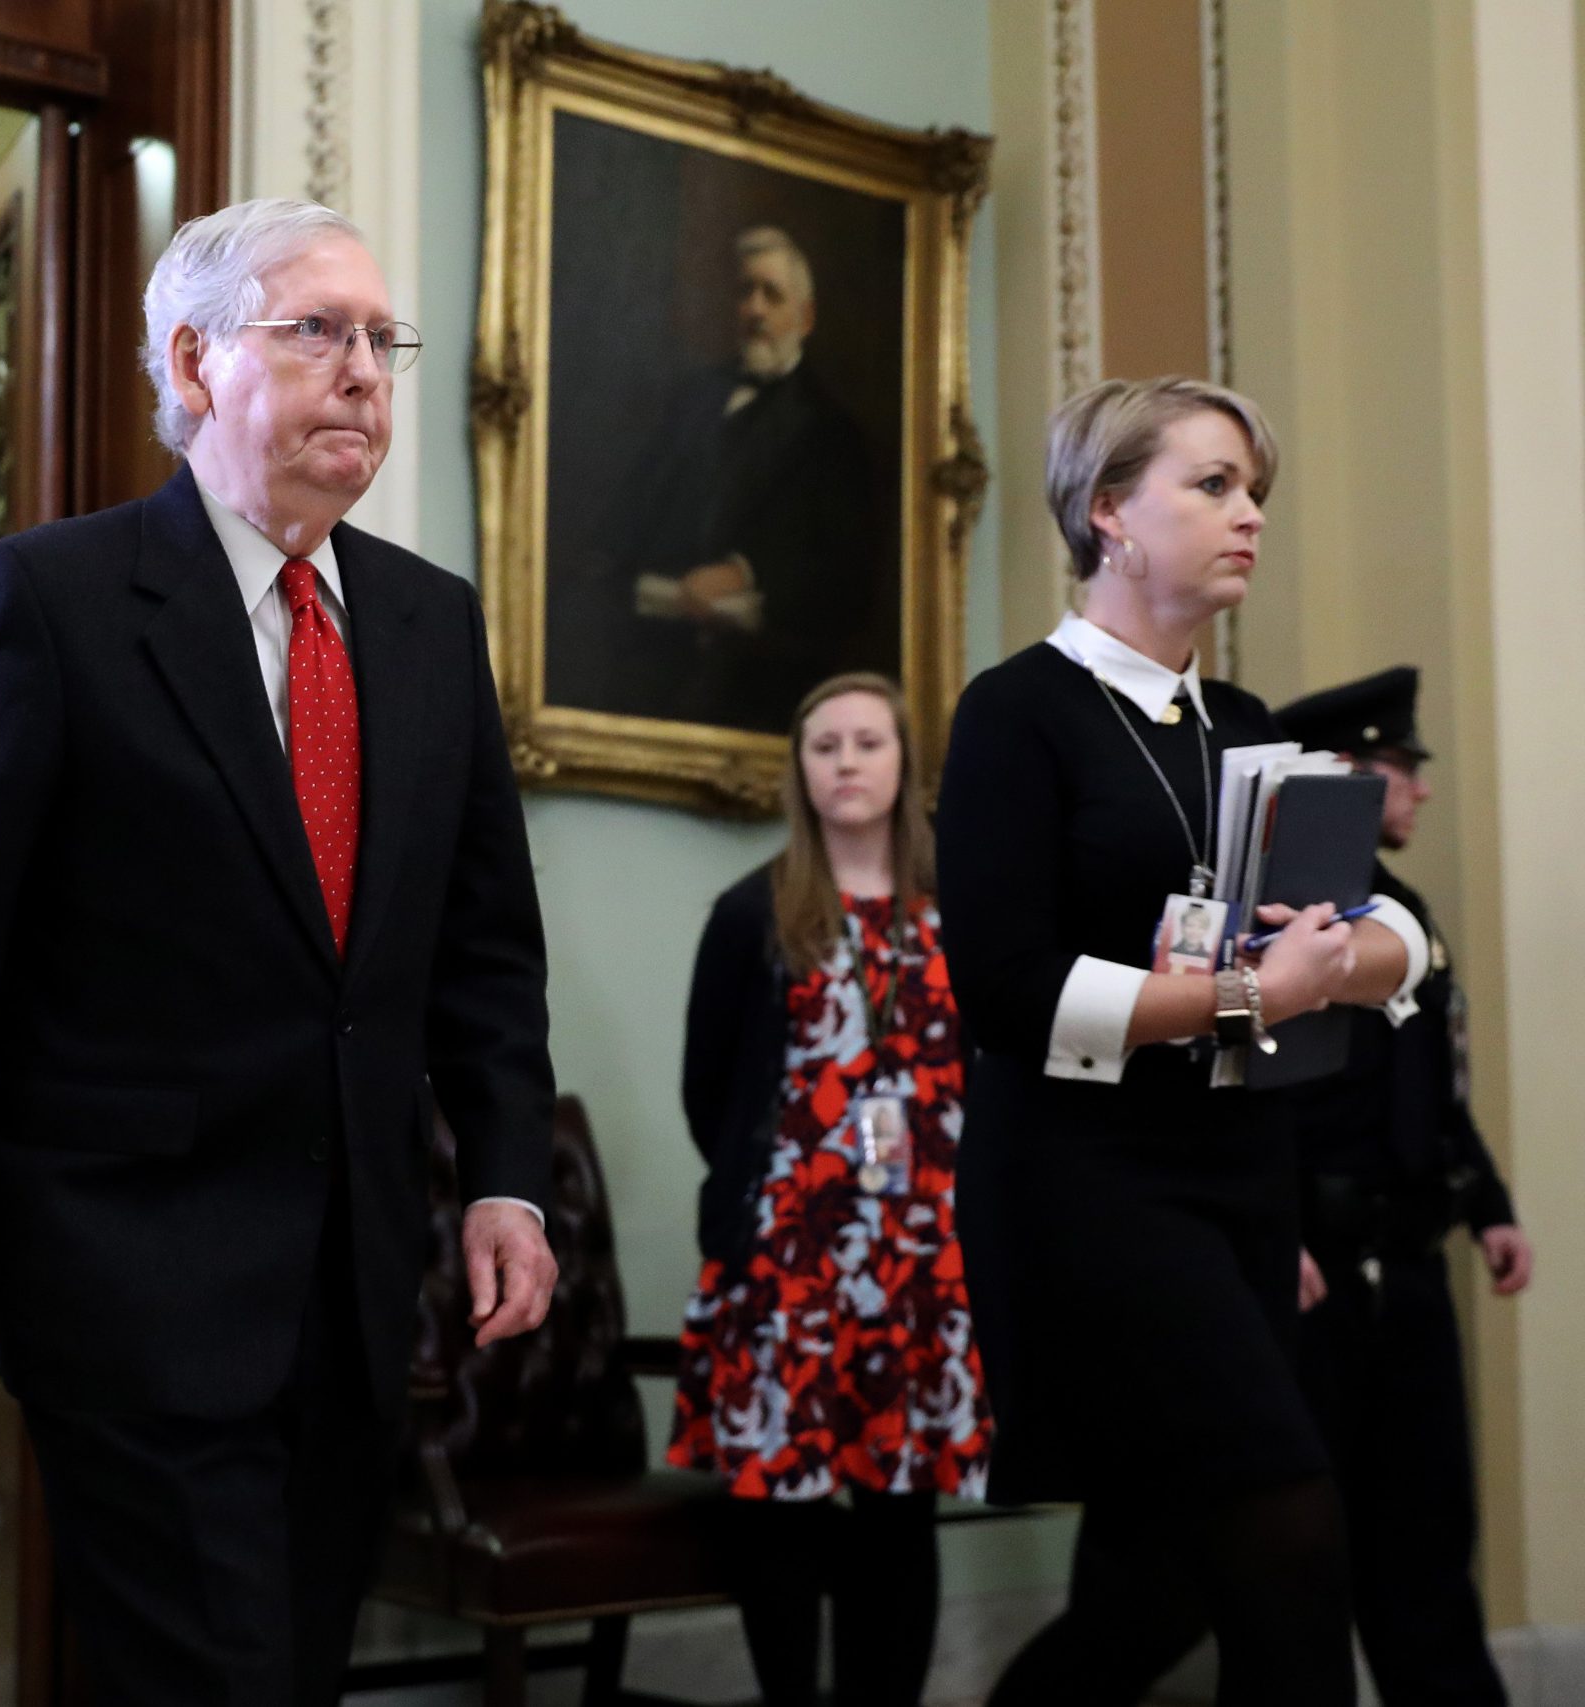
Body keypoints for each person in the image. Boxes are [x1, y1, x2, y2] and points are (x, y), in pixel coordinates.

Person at [0, 197, 560, 1706]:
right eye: (318, 331)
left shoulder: (428, 622)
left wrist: (502, 1170)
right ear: (195, 359)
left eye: (381, 339)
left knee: (283, 1668)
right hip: (128, 1275)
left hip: (355, 1283)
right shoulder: (51, 599)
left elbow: (483, 948)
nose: (364, 370)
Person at [933, 375, 1432, 1706]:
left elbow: (1396, 938)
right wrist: (1252, 995)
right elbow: (1005, 990)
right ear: (1110, 512)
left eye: (1254, 488)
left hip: (1237, 1180)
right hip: (1086, 1188)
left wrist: (1341, 958)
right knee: (1288, 1529)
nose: (1249, 513)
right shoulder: (1015, 711)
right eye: (1213, 484)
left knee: (1157, 1579)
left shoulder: (1250, 727)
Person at [671, 672, 990, 1707]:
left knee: (902, 1506)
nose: (845, 763)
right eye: (822, 747)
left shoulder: (965, 914)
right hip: (788, 1258)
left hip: (923, 1263)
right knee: (781, 1505)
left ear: (906, 765)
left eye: (866, 743)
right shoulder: (751, 913)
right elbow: (707, 1088)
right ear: (799, 773)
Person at [1276, 665, 1528, 1706]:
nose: (1419, 791)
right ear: (1342, 777)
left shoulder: (1402, 909)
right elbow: (1261, 1099)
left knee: (1425, 1543)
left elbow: (1432, 1084)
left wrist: (1487, 1204)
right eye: (1399, 770)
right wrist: (1268, 1229)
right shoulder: (1289, 909)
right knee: (1291, 1566)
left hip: (1407, 1266)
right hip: (1316, 1278)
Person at [553, 225, 884, 732]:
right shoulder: (693, 400)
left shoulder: (830, 432)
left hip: (759, 679)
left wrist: (745, 572)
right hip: (654, 655)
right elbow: (631, 514)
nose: (754, 309)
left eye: (771, 295)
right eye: (745, 292)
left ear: (805, 316)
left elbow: (844, 575)